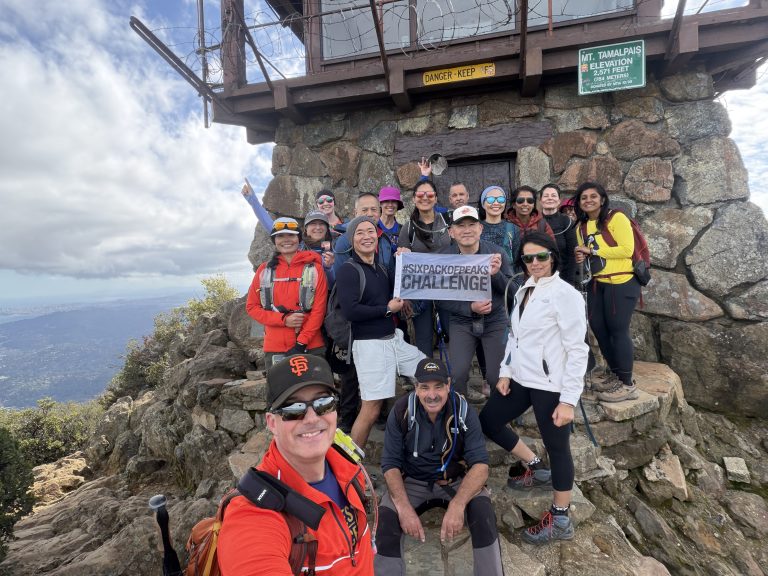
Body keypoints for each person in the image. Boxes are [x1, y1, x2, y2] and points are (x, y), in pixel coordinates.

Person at [218, 354, 374, 575]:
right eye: (293, 409)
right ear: (272, 423)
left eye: (323, 403)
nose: (311, 418)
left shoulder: (349, 469)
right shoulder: (254, 513)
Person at [479, 232, 588, 545]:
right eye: (529, 258)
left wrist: (568, 401)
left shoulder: (566, 295)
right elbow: (514, 337)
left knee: (558, 447)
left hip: (551, 385)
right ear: (522, 262)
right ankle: (534, 465)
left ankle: (561, 516)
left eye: (542, 256)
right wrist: (504, 372)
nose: (536, 263)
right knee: (489, 421)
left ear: (553, 256)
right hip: (521, 380)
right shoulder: (523, 289)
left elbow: (578, 350)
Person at [375, 357, 504, 576]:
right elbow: (390, 464)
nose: (431, 395)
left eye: (438, 387)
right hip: (413, 481)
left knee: (484, 514)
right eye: (424, 387)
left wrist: (458, 505)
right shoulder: (401, 411)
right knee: (386, 519)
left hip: (455, 481)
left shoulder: (464, 411)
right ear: (416, 387)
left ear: (448, 384)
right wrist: (404, 509)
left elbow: (480, 466)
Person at [337, 216, 425, 449]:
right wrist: (387, 309)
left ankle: (420, 432)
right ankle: (352, 469)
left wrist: (399, 302)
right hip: (370, 346)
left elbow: (390, 299)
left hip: (393, 340)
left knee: (431, 374)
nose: (366, 236)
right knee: (371, 408)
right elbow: (351, 311)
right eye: (360, 233)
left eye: (370, 231)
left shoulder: (382, 269)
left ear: (377, 237)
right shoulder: (349, 270)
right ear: (352, 240)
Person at [332, 193, 397, 433]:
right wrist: (386, 309)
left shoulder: (385, 245)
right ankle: (348, 422)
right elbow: (347, 292)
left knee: (381, 378)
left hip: (382, 323)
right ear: (355, 213)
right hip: (356, 327)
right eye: (364, 210)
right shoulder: (346, 248)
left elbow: (387, 278)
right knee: (352, 377)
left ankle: (378, 417)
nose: (369, 214)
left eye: (373, 210)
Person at [573, 181, 641, 402]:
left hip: (621, 282)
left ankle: (628, 384)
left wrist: (591, 249)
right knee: (599, 329)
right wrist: (582, 256)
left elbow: (626, 249)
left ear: (602, 199)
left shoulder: (616, 218)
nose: (588, 200)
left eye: (593, 196)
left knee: (618, 330)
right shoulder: (580, 228)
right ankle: (615, 373)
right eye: (584, 197)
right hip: (598, 283)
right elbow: (589, 255)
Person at [440, 205, 512, 403]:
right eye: (460, 226)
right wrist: (469, 307)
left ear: (480, 228)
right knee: (458, 374)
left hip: (494, 320)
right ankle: (461, 419)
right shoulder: (444, 258)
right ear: (451, 232)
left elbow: (512, 291)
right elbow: (439, 298)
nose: (467, 230)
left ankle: (498, 420)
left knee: (497, 376)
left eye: (472, 224)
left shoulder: (497, 253)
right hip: (462, 321)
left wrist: (496, 275)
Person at [246, 218, 328, 368]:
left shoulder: (315, 269)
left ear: (299, 238)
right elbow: (252, 307)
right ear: (274, 240)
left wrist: (301, 342)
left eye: (291, 235)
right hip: (275, 348)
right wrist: (284, 319)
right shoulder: (264, 271)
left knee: (315, 391)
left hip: (311, 345)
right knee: (281, 392)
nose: (286, 240)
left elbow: (319, 311)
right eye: (280, 236)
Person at [396, 178, 452, 356]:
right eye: (420, 194)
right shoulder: (408, 228)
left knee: (453, 332)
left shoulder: (449, 221)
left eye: (430, 194)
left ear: (436, 198)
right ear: (414, 199)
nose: (425, 197)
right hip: (420, 289)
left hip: (448, 286)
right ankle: (426, 377)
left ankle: (455, 377)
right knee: (423, 336)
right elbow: (403, 265)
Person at [538, 184, 577, 285]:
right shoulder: (534, 221)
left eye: (553, 195)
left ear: (559, 200)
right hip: (539, 277)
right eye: (546, 196)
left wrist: (569, 282)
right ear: (540, 201)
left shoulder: (567, 222)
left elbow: (572, 255)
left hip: (563, 278)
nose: (550, 198)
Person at [301, 209, 335, 286]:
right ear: (306, 228)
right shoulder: (297, 247)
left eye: (322, 224)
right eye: (313, 223)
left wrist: (329, 268)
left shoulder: (335, 247)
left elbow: (333, 285)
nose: (318, 227)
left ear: (327, 228)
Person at [378, 186, 403, 251]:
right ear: (380, 204)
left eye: (394, 201)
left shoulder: (402, 230)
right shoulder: (373, 226)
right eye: (386, 201)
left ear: (397, 205)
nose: (390, 204)